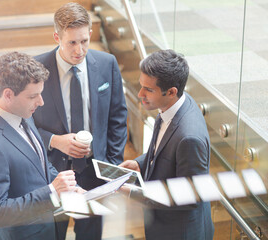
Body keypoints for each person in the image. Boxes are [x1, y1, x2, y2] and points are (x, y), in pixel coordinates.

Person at [33, 2, 127, 240]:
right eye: (72, 42)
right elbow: (24, 125)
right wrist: (54, 140)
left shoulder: (107, 64)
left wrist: (112, 168)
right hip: (52, 174)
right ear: (57, 37)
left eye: (84, 41)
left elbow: (117, 118)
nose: (79, 49)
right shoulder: (36, 69)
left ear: (90, 34)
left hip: (95, 175)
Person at [0, 52, 80, 240]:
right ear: (8, 95)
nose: (41, 102)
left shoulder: (23, 115)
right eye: (33, 96)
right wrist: (52, 190)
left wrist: (71, 188)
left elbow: (40, 165)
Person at [120, 49, 214, 240]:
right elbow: (167, 151)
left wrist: (136, 193)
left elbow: (190, 197)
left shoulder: (189, 138)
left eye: (149, 89)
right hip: (163, 226)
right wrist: (141, 163)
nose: (140, 94)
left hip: (180, 233)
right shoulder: (174, 105)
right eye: (141, 86)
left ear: (171, 92)